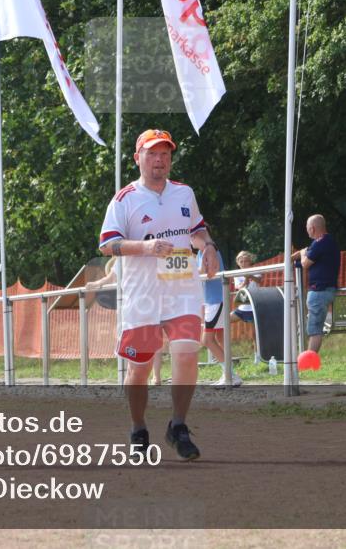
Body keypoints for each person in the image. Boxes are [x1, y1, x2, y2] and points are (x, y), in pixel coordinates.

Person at [99, 129, 219, 461]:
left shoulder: (184, 193)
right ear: (138, 158)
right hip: (144, 295)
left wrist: (207, 246)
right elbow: (108, 244)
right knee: (139, 367)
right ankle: (138, 427)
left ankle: (178, 426)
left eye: (165, 154)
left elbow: (196, 230)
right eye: (152, 154)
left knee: (186, 352)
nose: (159, 160)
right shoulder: (125, 199)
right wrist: (146, 247)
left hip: (182, 289)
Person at [290, 214, 340, 353]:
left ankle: (309, 361)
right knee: (314, 327)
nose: (307, 231)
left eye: (307, 228)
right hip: (326, 290)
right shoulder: (327, 241)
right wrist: (296, 257)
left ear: (312, 228)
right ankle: (308, 359)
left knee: (314, 330)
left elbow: (305, 263)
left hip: (319, 291)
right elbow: (307, 260)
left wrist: (302, 253)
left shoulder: (320, 243)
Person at [198, 246, 240, 386]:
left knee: (207, 340)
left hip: (214, 301)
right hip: (216, 299)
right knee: (221, 338)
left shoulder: (206, 250)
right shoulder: (211, 250)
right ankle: (229, 374)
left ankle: (230, 374)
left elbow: (203, 272)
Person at [230, 251, 261, 324]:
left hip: (254, 307)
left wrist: (250, 276)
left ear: (250, 261)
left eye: (246, 261)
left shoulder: (256, 270)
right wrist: (246, 279)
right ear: (238, 263)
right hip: (242, 308)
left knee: (258, 331)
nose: (243, 264)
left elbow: (259, 280)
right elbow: (240, 288)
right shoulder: (237, 274)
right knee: (225, 320)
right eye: (241, 262)